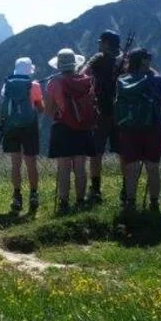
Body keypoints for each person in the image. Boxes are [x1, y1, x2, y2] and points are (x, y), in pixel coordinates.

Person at [45, 48, 96, 215]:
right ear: (75, 64)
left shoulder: (54, 83)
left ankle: (64, 202)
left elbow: (49, 111)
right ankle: (80, 201)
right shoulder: (86, 80)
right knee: (80, 166)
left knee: (64, 167)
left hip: (63, 128)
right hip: (84, 127)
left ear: (59, 65)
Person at [115, 49, 161, 211]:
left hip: (129, 127)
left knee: (131, 167)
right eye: (148, 59)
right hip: (153, 126)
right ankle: (154, 203)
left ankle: (130, 201)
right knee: (152, 166)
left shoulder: (122, 80)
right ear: (144, 61)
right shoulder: (155, 80)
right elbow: (159, 101)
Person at [80, 30, 123, 203]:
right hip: (122, 112)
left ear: (105, 43)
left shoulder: (99, 58)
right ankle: (127, 190)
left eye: (100, 42)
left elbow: (83, 75)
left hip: (101, 110)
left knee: (96, 152)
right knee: (123, 152)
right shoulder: (125, 59)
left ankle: (96, 190)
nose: (98, 45)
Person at [0, 57, 44, 212]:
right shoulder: (34, 85)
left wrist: (1, 124)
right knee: (31, 162)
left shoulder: (7, 85)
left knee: (15, 163)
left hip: (11, 126)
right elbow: (40, 108)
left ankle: (17, 196)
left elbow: (2, 105)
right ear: (29, 70)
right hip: (30, 126)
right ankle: (33, 195)